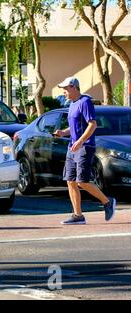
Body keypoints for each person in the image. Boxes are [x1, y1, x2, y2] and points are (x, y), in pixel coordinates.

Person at [53, 76, 116, 225]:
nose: (64, 93)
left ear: (74, 87)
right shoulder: (72, 104)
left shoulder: (85, 102)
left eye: (65, 89)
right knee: (70, 181)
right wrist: (63, 132)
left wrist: (81, 141)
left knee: (82, 181)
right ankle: (78, 215)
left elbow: (92, 124)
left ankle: (107, 202)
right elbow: (74, 128)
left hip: (84, 147)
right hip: (72, 147)